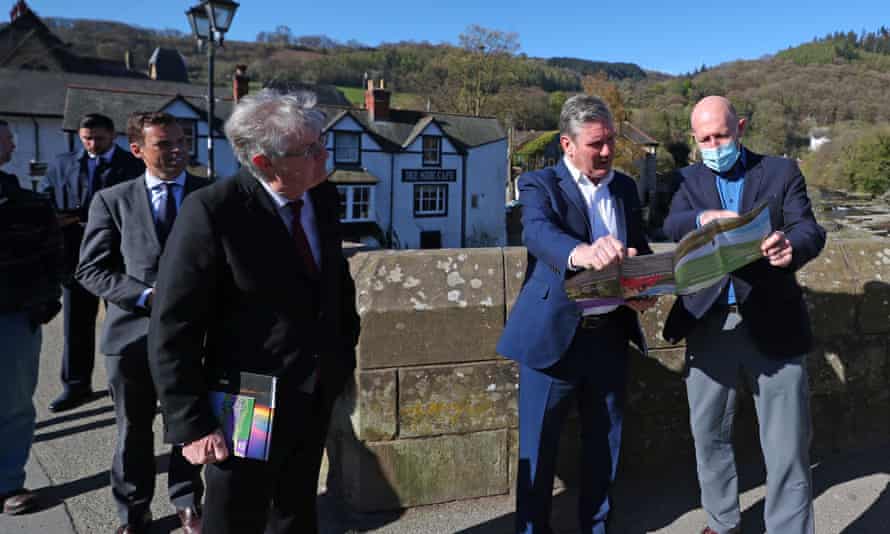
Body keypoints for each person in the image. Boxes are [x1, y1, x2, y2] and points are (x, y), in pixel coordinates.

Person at [148, 89, 360, 534]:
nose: (325, 156)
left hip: (314, 388)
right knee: (237, 511)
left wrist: (342, 353)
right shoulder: (212, 211)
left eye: (322, 142)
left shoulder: (321, 198)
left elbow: (334, 284)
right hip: (249, 397)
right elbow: (173, 326)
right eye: (310, 150)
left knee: (296, 508)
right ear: (264, 163)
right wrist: (193, 424)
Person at [662, 96, 826, 534]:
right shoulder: (682, 178)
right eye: (705, 139)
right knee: (709, 435)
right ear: (694, 140)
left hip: (774, 318)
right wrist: (701, 218)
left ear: (741, 127)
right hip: (707, 320)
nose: (715, 145)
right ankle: (722, 522)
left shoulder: (781, 171)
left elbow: (809, 227)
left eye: (722, 135)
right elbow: (667, 222)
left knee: (787, 443)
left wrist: (793, 248)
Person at [496, 94, 656, 534]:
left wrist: (642, 288)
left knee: (605, 445)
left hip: (609, 336)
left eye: (610, 142)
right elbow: (538, 233)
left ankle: (598, 528)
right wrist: (582, 253)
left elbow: (638, 246)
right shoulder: (539, 184)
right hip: (553, 340)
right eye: (595, 144)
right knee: (538, 451)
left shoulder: (623, 187)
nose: (606, 152)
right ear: (567, 144)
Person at [75, 112, 208, 534]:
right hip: (130, 335)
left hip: (194, 336)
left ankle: (188, 503)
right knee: (132, 429)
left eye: (181, 143)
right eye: (163, 144)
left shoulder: (210, 196)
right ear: (137, 150)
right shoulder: (112, 200)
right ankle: (134, 511)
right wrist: (146, 296)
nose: (176, 151)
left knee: (187, 421)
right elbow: (91, 270)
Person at [41, 113, 145, 413]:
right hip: (77, 257)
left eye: (98, 138)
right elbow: (46, 198)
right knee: (76, 325)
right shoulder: (62, 164)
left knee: (125, 324)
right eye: (86, 138)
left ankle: (128, 384)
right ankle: (76, 386)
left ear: (113, 136)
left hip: (121, 259)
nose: (92, 143)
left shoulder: (133, 166)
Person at [0, 120, 64, 515]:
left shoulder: (28, 203)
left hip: (13, 317)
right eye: (7, 138)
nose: (12, 143)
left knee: (13, 405)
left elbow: (53, 257)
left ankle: (7, 485)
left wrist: (44, 302)